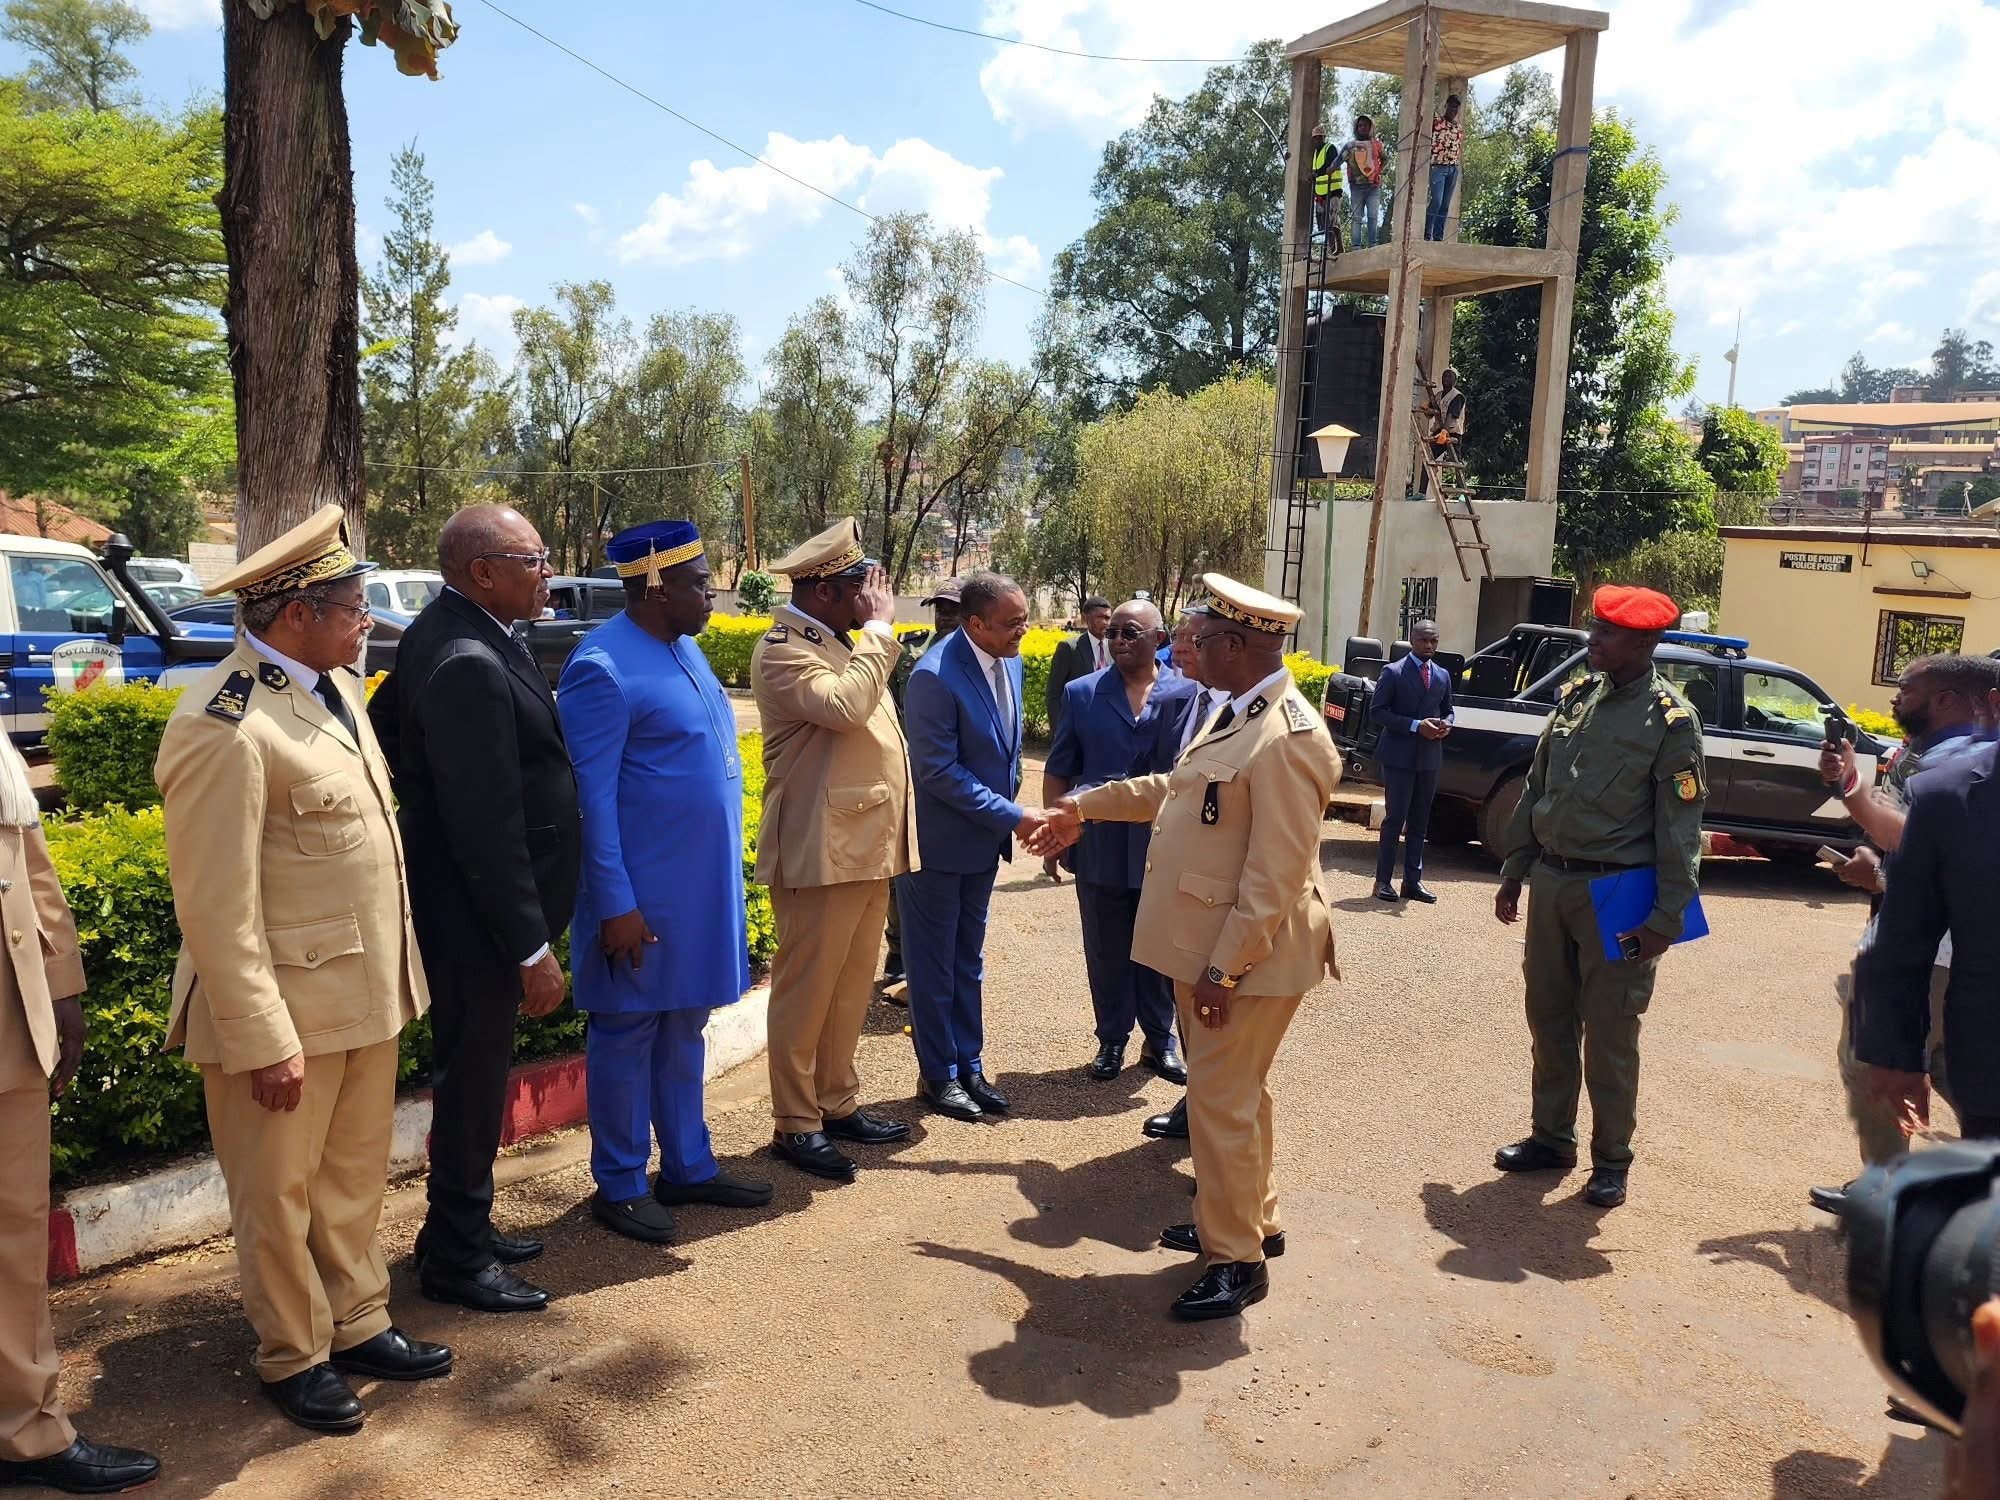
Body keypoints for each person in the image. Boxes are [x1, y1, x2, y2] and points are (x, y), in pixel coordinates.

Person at [155, 505, 446, 1433]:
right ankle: (295, 1353)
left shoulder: (333, 691)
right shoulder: (225, 723)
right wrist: (262, 1036)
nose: (367, 620)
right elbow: (216, 904)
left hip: (361, 993)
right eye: (353, 606)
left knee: (350, 1180)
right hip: (282, 1011)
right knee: (277, 1198)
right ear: (295, 614)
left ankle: (357, 1320)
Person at [1042, 574, 1343, 1320]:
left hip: (1244, 958)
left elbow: (1273, 880)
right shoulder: (1237, 711)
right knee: (1238, 1095)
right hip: (1219, 948)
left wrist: (1222, 971)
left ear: (1234, 646)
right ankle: (1249, 1220)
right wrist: (1083, 806)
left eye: (1199, 639)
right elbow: (1173, 789)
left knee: (1220, 1103)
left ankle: (1236, 1259)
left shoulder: (1287, 738)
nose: (1185, 650)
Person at [368, 505, 578, 1316]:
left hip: (468, 905)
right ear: (484, 571)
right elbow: (485, 825)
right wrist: (529, 946)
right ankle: (457, 1255)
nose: (548, 573)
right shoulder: (465, 656)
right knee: (472, 1084)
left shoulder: (454, 631)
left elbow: (388, 728)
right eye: (534, 559)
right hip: (478, 919)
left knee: (473, 1077)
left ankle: (456, 1230)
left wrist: (423, 793)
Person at [558, 521, 771, 1244]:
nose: (712, 594)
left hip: (697, 894)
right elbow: (592, 801)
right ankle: (620, 1183)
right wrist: (615, 904)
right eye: (699, 583)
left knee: (685, 1027)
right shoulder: (602, 668)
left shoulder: (685, 647)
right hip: (641, 901)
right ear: (656, 587)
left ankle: (687, 1164)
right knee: (626, 1033)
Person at [1492, 585, 1706, 1211]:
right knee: (1548, 1018)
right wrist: (1516, 868)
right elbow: (1537, 788)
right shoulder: (1577, 697)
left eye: (1608, 633)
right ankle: (1550, 1138)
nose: (1594, 640)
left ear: (1644, 643)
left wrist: (1667, 917)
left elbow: (1680, 829)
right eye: (1596, 628)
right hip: (1554, 880)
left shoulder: (1671, 721)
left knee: (1611, 1034)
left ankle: (1612, 1160)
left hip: (1622, 889)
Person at [0, 734, 160, 1493]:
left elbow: (28, 856)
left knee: (13, 1237)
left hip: (10, 1022)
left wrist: (63, 988)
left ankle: (24, 1430)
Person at [752, 518, 917, 1181]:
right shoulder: (785, 650)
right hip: (820, 850)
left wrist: (868, 633)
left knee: (849, 987)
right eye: (861, 587)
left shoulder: (840, 642)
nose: (873, 598)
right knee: (807, 989)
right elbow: (846, 709)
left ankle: (835, 1099)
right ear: (823, 591)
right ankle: (796, 1122)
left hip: (863, 845)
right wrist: (879, 630)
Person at [1816, 654, 1996, 1197]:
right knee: (1947, 1069)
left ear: (1948, 699)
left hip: (1943, 954)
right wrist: (1853, 787)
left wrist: (1879, 866)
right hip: (1928, 945)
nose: (1895, 698)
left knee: (1879, 1063)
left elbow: (1914, 840)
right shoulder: (1924, 755)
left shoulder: (1966, 764)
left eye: (1907, 689)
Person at [900, 571, 1037, 1123]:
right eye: (1011, 623)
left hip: (981, 844)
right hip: (937, 847)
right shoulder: (933, 676)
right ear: (975, 623)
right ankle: (938, 1074)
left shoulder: (1010, 660)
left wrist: (1010, 805)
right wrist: (1015, 815)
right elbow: (938, 772)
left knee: (967, 961)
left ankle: (969, 1065)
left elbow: (1008, 747)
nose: (1022, 631)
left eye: (1024, 619)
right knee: (934, 967)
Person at [1043, 599, 1196, 1085]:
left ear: (1159, 638)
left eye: (1131, 633)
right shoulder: (1082, 693)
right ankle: (1111, 1038)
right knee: (1106, 947)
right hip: (1100, 843)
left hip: (1162, 844)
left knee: (1160, 947)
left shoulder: (1187, 694)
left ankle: (1160, 1041)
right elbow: (1060, 767)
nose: (1119, 641)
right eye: (1113, 634)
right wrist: (1055, 833)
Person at [884, 578, 963, 989]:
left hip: (955, 782)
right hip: (907, 776)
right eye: (940, 609)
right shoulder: (911, 651)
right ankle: (899, 950)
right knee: (900, 868)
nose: (945, 616)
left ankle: (945, 956)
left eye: (954, 609)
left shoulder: (986, 660)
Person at [1369, 619, 1454, 903]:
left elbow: (1449, 710)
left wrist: (1446, 724)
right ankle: (1382, 882)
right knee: (1395, 820)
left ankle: (1412, 882)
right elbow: (1377, 711)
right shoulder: (1393, 672)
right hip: (1399, 757)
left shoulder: (1442, 674)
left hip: (1429, 758)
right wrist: (1416, 725)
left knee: (1420, 821)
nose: (1429, 645)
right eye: (1423, 640)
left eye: (1434, 641)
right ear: (1412, 640)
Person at [1044, 596, 1112, 738]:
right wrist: (1059, 733)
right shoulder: (1070, 649)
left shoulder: (1115, 647)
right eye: (1099, 617)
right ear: (1085, 618)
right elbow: (1053, 694)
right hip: (1078, 729)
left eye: (1107, 618)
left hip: (1109, 729)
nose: (1105, 622)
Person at [1342, 115, 1388, 250]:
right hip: (1356, 187)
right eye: (1360, 125)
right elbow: (1339, 159)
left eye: (1365, 125)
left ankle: (1373, 245)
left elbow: (1385, 159)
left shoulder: (1377, 144)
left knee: (1373, 216)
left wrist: (1378, 172)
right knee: (1357, 217)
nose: (1362, 128)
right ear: (1356, 128)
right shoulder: (1351, 146)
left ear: (1370, 128)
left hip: (1373, 187)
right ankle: (1356, 246)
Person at [1425, 93, 1463, 241]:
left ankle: (1438, 237)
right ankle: (1427, 233)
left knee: (1445, 205)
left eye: (1456, 107)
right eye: (1451, 106)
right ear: (1446, 106)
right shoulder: (1437, 121)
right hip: (1438, 167)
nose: (1453, 110)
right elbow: (1425, 110)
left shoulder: (1458, 128)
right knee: (1437, 201)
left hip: (1453, 168)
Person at [1309, 123, 1344, 253]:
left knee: (1332, 219)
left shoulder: (1330, 148)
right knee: (1324, 224)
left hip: (1333, 189)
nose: (1317, 140)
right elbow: (1317, 171)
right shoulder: (1315, 154)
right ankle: (1331, 248)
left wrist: (1317, 173)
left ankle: (1339, 247)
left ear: (1323, 137)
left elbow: (1330, 164)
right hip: (1321, 193)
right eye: (1315, 138)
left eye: (1319, 137)